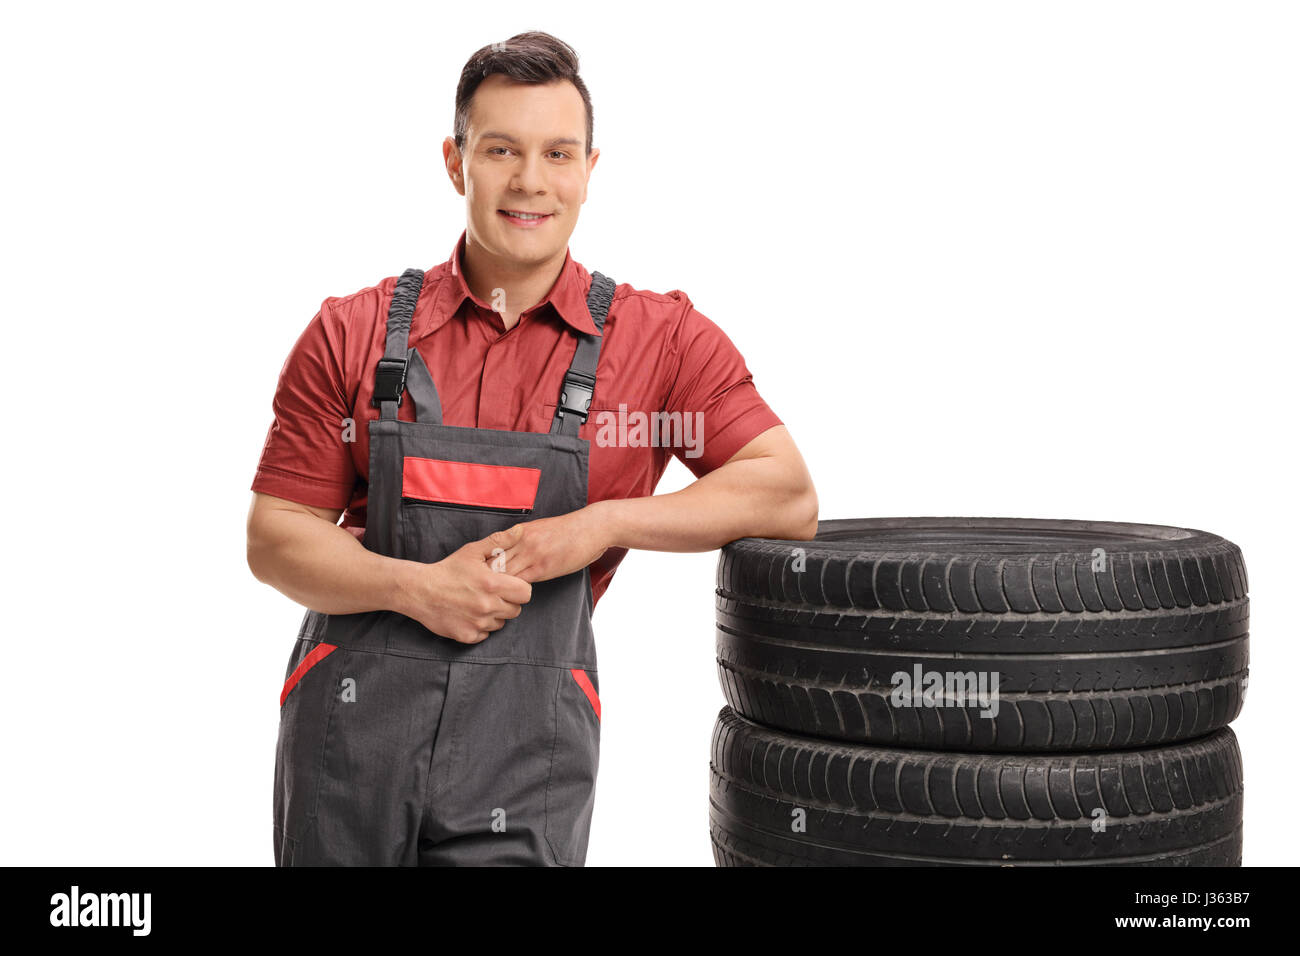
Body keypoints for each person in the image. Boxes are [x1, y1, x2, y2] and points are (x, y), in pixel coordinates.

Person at [246, 30, 818, 866]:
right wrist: (417, 590)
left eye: (558, 153)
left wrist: (597, 527)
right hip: (350, 737)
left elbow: (785, 494)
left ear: (590, 168)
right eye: (501, 150)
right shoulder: (354, 330)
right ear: (456, 163)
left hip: (528, 743)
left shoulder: (658, 341)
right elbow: (275, 536)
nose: (531, 181)